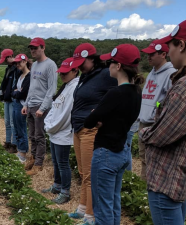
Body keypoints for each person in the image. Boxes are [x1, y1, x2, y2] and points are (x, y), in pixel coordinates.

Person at [84, 44, 143, 225]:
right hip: (122, 151)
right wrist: (102, 117)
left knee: (102, 207)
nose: (108, 65)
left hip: (106, 153)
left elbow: (89, 122)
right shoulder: (137, 92)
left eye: (110, 62)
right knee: (114, 202)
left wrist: (98, 116)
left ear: (118, 66)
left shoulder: (115, 93)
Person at [140, 19, 186, 225]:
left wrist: (144, 133)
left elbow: (164, 132)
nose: (149, 57)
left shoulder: (181, 85)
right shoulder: (154, 73)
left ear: (181, 45)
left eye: (171, 45)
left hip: (168, 175)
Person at [67, 43, 117, 225]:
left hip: (90, 130)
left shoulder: (105, 75)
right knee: (82, 172)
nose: (79, 66)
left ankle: (91, 215)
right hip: (78, 128)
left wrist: (103, 113)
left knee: (90, 174)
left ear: (93, 59)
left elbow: (117, 95)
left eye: (83, 62)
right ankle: (81, 208)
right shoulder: (85, 76)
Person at [42, 57, 79, 204]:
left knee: (63, 163)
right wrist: (48, 124)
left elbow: (66, 114)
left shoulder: (74, 88)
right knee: (56, 162)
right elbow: (55, 106)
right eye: (61, 73)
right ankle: (57, 185)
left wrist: (50, 126)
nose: (62, 75)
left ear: (75, 71)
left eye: (65, 72)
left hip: (63, 132)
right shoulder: (66, 85)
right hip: (54, 131)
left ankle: (65, 192)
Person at [137, 40, 175, 179]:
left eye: (152, 54)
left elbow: (169, 102)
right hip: (144, 121)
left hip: (154, 123)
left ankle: (149, 192)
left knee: (154, 161)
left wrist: (156, 111)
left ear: (163, 54)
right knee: (143, 158)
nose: (148, 57)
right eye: (148, 54)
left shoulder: (171, 73)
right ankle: (143, 191)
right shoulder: (152, 72)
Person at [21, 37, 58, 176]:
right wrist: (25, 104)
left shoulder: (50, 65)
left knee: (39, 136)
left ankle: (38, 163)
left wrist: (42, 108)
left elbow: (52, 89)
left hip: (41, 106)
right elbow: (32, 87)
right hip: (31, 105)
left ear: (43, 48)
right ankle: (33, 157)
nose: (32, 50)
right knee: (31, 135)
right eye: (31, 48)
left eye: (35, 48)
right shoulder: (35, 65)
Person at [11, 54, 31, 163]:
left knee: (21, 128)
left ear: (25, 61)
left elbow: (23, 94)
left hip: (22, 104)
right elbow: (13, 91)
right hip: (16, 103)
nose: (18, 64)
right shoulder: (20, 75)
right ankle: (19, 150)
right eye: (16, 63)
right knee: (16, 128)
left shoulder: (29, 76)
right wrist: (16, 92)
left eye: (20, 62)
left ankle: (23, 152)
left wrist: (16, 93)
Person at [0, 49, 19, 153]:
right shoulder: (8, 69)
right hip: (6, 99)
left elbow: (24, 71)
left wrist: (15, 62)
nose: (5, 61)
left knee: (12, 122)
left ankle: (14, 144)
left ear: (10, 57)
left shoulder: (17, 68)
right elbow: (4, 82)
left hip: (13, 99)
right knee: (7, 122)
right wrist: (1, 92)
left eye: (6, 59)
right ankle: (7, 142)